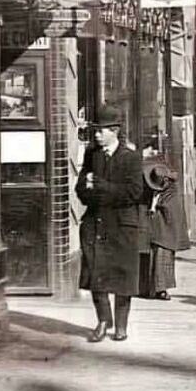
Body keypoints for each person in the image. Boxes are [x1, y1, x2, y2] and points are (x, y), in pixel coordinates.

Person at [75, 103, 145, 343]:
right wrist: (87, 187)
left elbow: (135, 192)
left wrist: (103, 187)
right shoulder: (92, 155)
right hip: (96, 223)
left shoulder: (131, 158)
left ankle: (122, 325)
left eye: (101, 130)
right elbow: (80, 187)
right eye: (95, 130)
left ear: (114, 130)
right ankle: (103, 321)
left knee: (123, 276)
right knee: (97, 273)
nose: (96, 135)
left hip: (123, 226)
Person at [141, 161, 190, 300]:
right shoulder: (155, 190)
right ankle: (152, 288)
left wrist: (155, 208)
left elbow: (171, 211)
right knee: (154, 258)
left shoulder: (172, 191)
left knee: (162, 258)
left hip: (166, 230)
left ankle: (161, 289)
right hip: (156, 229)